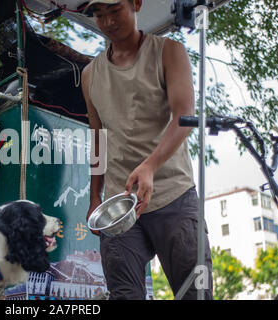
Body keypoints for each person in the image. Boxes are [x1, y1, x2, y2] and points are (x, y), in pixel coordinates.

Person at [82, 0, 213, 299]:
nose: (107, 21)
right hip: (120, 205)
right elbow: (97, 139)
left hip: (174, 196)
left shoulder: (168, 51)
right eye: (99, 14)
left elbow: (184, 116)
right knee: (123, 294)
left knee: (195, 292)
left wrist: (150, 166)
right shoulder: (90, 75)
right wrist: (94, 197)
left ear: (136, 3)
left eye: (114, 10)